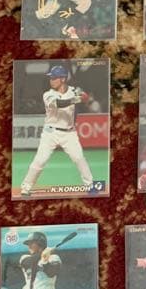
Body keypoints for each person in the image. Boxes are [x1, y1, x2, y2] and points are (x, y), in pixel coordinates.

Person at [19, 66, 94, 196]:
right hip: (51, 133)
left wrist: (83, 95)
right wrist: (76, 99)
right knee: (40, 160)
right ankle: (26, 187)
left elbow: (87, 98)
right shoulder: (48, 94)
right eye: (51, 78)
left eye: (54, 78)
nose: (51, 80)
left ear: (63, 79)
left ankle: (90, 185)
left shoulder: (73, 90)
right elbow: (60, 103)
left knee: (79, 158)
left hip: (69, 133)